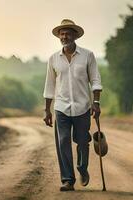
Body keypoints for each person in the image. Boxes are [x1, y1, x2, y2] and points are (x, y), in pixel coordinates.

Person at [43, 19, 102, 191]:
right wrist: (47, 110)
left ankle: (82, 168)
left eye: (68, 33)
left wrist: (96, 102)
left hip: (83, 107)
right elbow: (49, 86)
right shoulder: (53, 59)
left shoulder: (88, 55)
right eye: (62, 33)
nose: (64, 36)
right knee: (63, 142)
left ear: (75, 35)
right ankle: (68, 179)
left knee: (83, 142)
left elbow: (95, 80)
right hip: (61, 108)